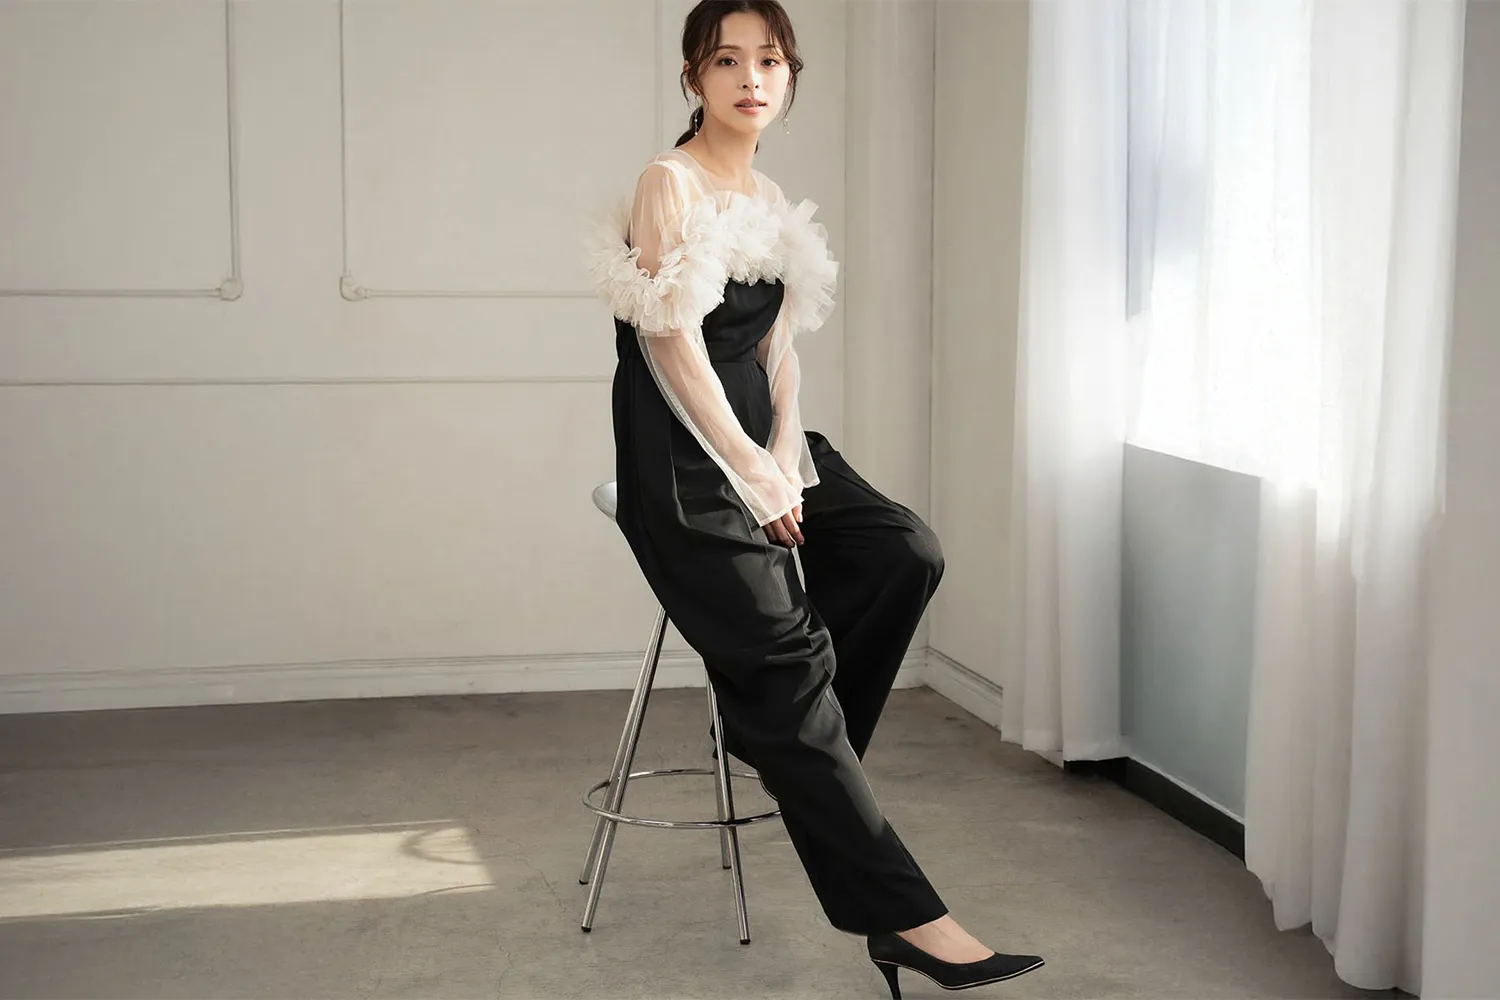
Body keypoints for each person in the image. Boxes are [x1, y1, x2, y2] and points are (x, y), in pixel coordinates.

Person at [586, 2, 1045, 995]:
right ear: (693, 77)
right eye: (726, 61)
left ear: (790, 76)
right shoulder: (669, 182)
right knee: (789, 666)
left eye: (769, 60)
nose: (751, 78)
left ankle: (772, 729)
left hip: (760, 437)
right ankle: (907, 920)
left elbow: (774, 351)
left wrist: (789, 454)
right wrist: (752, 479)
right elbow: (672, 351)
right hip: (683, 458)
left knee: (902, 551)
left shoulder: (765, 194)